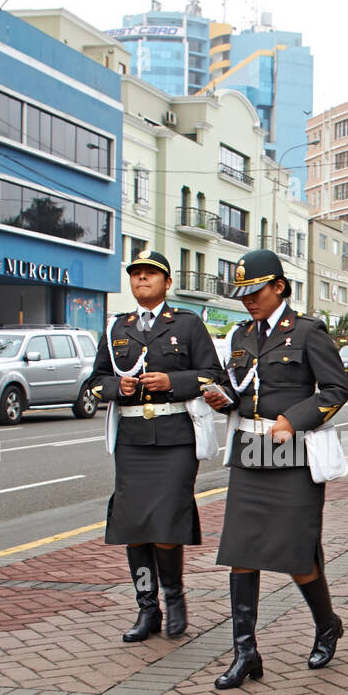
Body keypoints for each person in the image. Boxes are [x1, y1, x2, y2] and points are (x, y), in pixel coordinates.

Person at [203, 249, 348, 689]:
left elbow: (335, 390)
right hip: (250, 448)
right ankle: (245, 652)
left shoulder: (307, 333)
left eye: (256, 291)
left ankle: (327, 624)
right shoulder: (240, 335)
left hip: (292, 452)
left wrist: (295, 419)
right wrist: (222, 398)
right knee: (241, 553)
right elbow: (240, 390)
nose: (248, 300)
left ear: (279, 287)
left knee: (296, 554)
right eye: (243, 293)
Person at [90, 250, 224, 642]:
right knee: (135, 528)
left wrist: (172, 383)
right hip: (132, 440)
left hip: (175, 438)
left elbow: (212, 375)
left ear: (167, 283)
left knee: (166, 524)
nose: (142, 279)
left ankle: (175, 598)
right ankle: (147, 609)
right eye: (136, 274)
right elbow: (95, 382)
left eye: (151, 274)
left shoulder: (187, 323)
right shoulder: (118, 328)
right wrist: (119, 387)